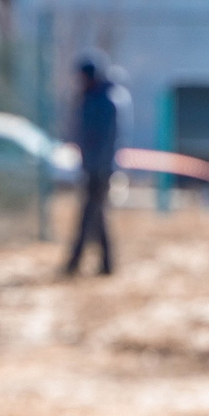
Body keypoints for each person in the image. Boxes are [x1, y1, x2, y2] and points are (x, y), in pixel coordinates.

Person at [65, 51, 126, 276]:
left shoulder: (105, 101)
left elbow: (104, 140)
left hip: (99, 171)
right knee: (97, 217)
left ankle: (74, 264)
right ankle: (106, 265)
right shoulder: (90, 98)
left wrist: (96, 169)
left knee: (88, 216)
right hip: (92, 168)